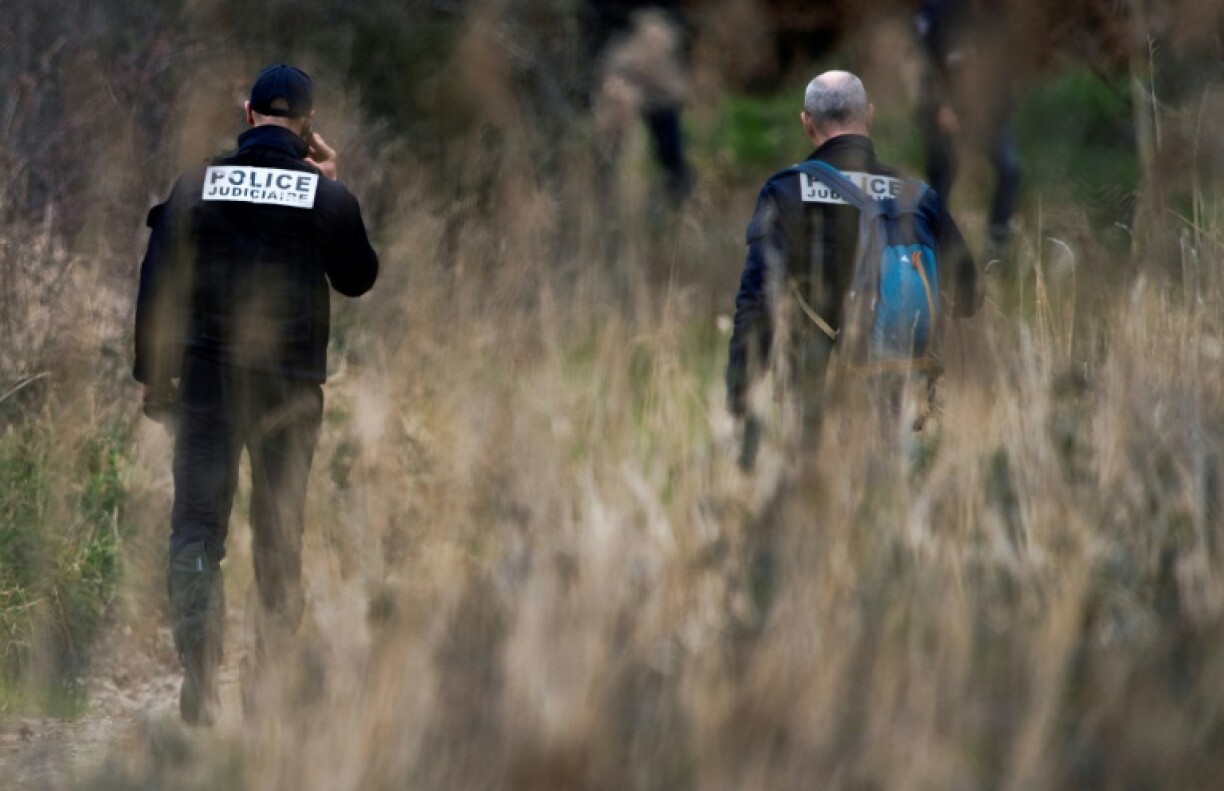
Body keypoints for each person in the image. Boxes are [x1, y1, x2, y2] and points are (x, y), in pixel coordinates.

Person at [133, 64, 379, 724]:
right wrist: (333, 184)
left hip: (207, 383)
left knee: (196, 530)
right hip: (290, 389)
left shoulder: (195, 185)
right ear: (307, 125)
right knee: (279, 535)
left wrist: (156, 375)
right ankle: (268, 688)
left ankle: (200, 675)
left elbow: (158, 285)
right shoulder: (324, 197)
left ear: (248, 116)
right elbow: (358, 278)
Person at [726, 70, 979, 454]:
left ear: (807, 123)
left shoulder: (786, 191)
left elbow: (757, 299)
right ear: (869, 116)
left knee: (815, 485)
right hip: (900, 387)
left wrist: (740, 393)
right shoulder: (917, 196)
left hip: (812, 390)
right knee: (895, 481)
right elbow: (969, 294)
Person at [915, 0, 1021, 265]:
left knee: (1009, 171)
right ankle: (937, 251)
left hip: (987, 113)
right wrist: (940, 106)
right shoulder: (937, 12)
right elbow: (923, 63)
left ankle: (996, 253)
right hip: (945, 113)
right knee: (941, 181)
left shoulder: (994, 13)